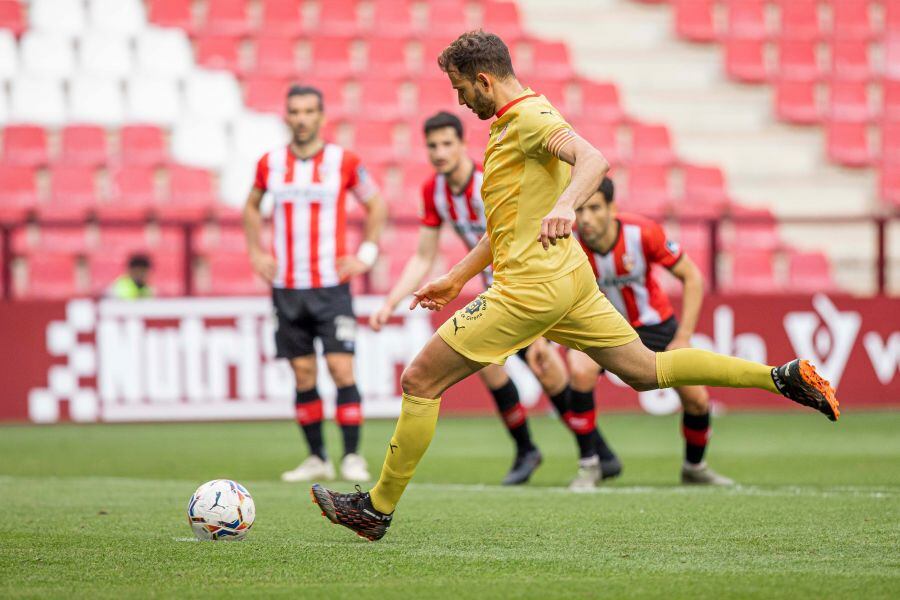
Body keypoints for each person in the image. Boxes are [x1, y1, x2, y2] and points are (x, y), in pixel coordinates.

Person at [311, 31, 839, 541]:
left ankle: (376, 509)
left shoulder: (532, 118)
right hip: (570, 280)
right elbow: (508, 227)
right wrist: (457, 277)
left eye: (460, 89)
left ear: (484, 80)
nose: (460, 99)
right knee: (647, 370)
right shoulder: (512, 123)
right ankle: (782, 376)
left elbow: (593, 159)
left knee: (419, 382)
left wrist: (567, 204)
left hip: (528, 290)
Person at [370, 111, 546, 485]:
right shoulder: (433, 190)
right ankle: (530, 450)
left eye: (447, 143)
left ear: (464, 144)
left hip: (529, 282)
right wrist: (392, 300)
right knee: (489, 366)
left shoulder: (489, 182)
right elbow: (423, 255)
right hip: (497, 290)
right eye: (432, 145)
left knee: (553, 370)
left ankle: (594, 452)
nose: (439, 152)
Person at [528, 177, 733, 489]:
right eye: (579, 209)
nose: (585, 218)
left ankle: (695, 467)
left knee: (697, 400)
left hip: (655, 327)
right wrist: (541, 339)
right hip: (599, 328)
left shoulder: (643, 232)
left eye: (594, 208)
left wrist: (684, 336)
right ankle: (589, 465)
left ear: (612, 208)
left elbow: (692, 277)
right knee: (580, 368)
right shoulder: (567, 243)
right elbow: (551, 294)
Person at [244, 84, 388, 483]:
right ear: (286, 116)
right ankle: (316, 458)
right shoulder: (270, 163)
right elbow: (251, 206)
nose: (302, 118)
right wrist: (257, 253)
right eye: (295, 111)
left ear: (321, 117)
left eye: (309, 111)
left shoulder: (344, 161)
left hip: (331, 286)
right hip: (288, 287)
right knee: (303, 374)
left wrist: (366, 255)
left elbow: (376, 204)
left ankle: (353, 456)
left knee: (341, 369)